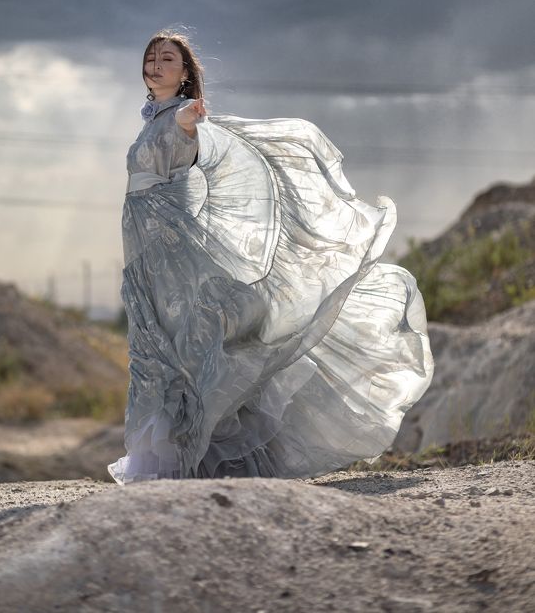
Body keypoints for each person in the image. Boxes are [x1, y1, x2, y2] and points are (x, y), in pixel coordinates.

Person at [107, 28, 434, 483]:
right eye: (151, 57)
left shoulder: (180, 113)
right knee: (155, 348)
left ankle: (183, 460)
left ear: (185, 75)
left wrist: (191, 115)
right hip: (147, 256)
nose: (156, 65)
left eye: (167, 59)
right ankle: (168, 458)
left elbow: (190, 125)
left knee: (181, 350)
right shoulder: (152, 120)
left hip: (172, 252)